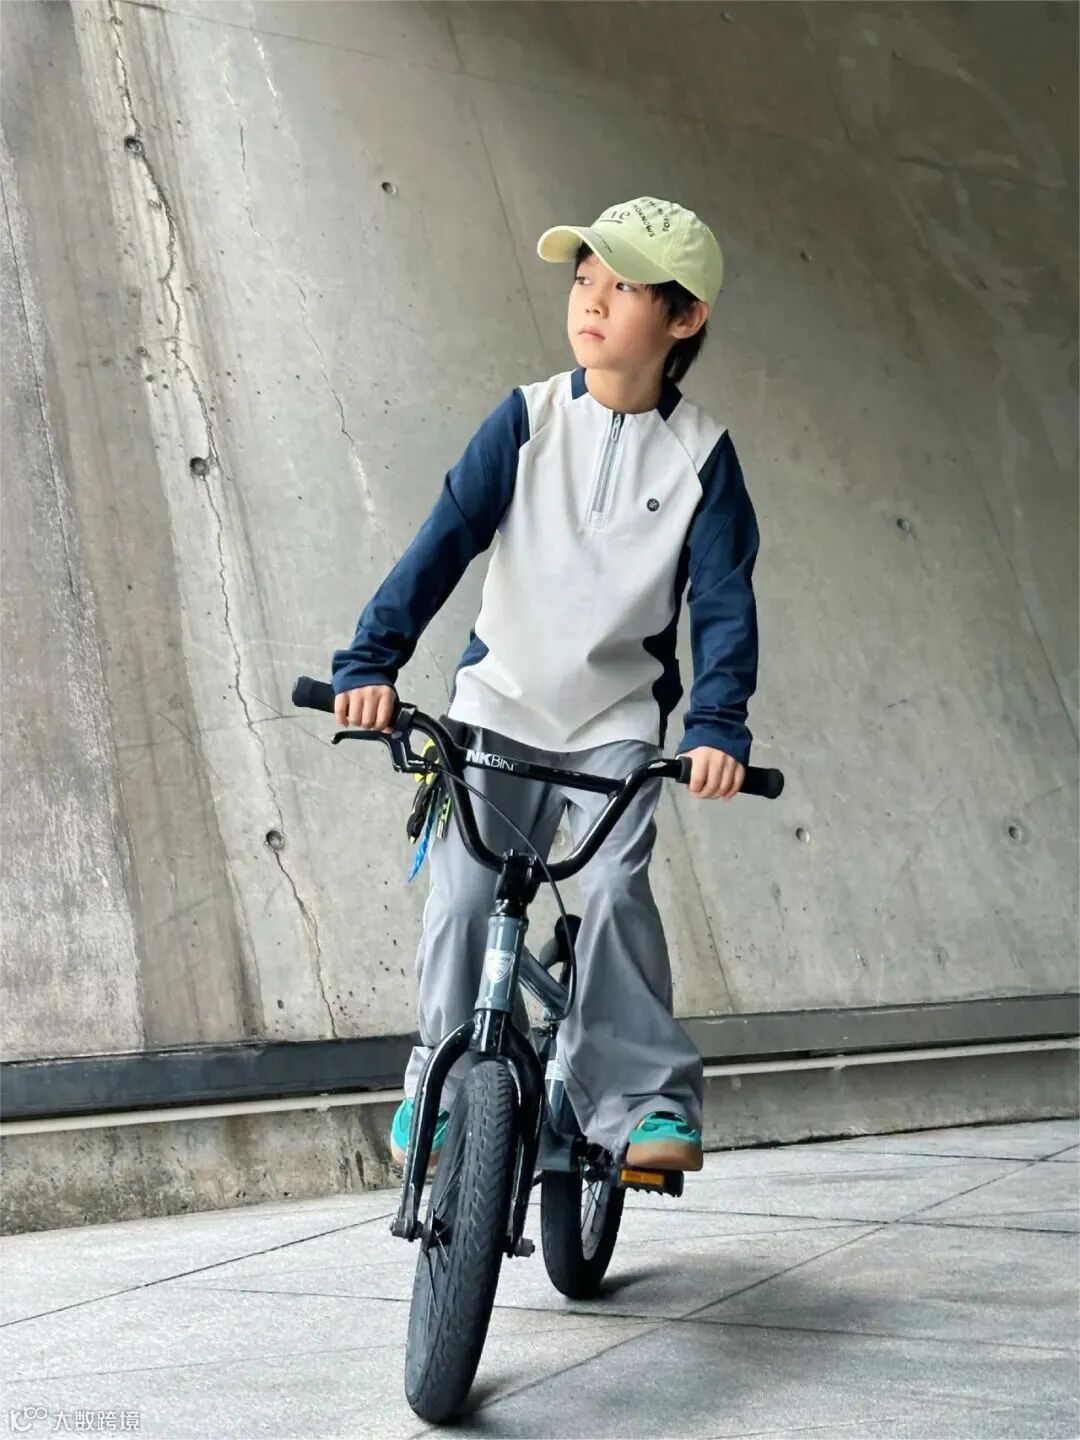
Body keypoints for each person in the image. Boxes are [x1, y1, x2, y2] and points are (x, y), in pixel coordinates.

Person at [331, 197, 759, 1174]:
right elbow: (442, 543)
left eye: (622, 287)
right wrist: (370, 663)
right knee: (462, 901)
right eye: (584, 280)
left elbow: (723, 604)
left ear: (684, 317)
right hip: (496, 714)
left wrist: (717, 727)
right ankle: (439, 1087)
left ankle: (646, 1101)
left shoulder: (703, 458)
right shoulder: (526, 420)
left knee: (611, 889)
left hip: (613, 727)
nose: (591, 301)